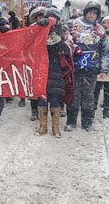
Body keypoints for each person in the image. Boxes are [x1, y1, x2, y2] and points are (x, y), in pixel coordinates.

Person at [65, 2, 109, 132]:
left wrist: (103, 69)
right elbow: (63, 36)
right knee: (74, 95)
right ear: (85, 12)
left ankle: (87, 123)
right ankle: (71, 122)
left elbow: (105, 51)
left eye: (95, 13)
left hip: (91, 68)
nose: (92, 15)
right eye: (90, 12)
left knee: (89, 96)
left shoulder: (100, 29)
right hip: (75, 67)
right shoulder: (73, 23)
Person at [35, 8, 71, 138]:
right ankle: (42, 127)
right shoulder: (38, 28)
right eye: (48, 17)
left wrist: (55, 35)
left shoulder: (63, 31)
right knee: (42, 98)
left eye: (53, 17)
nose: (51, 19)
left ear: (57, 19)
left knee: (55, 98)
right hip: (41, 68)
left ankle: (55, 128)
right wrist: (41, 28)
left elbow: (67, 49)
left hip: (56, 69)